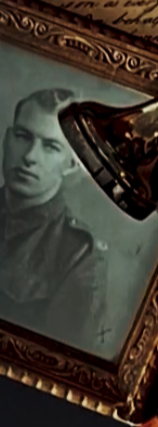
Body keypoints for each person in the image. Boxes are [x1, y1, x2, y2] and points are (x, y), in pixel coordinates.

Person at [0, 87, 106, 349]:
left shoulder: (78, 253)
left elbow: (59, 360)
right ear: (6, 140)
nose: (29, 157)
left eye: (50, 147)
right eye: (23, 137)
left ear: (71, 165)